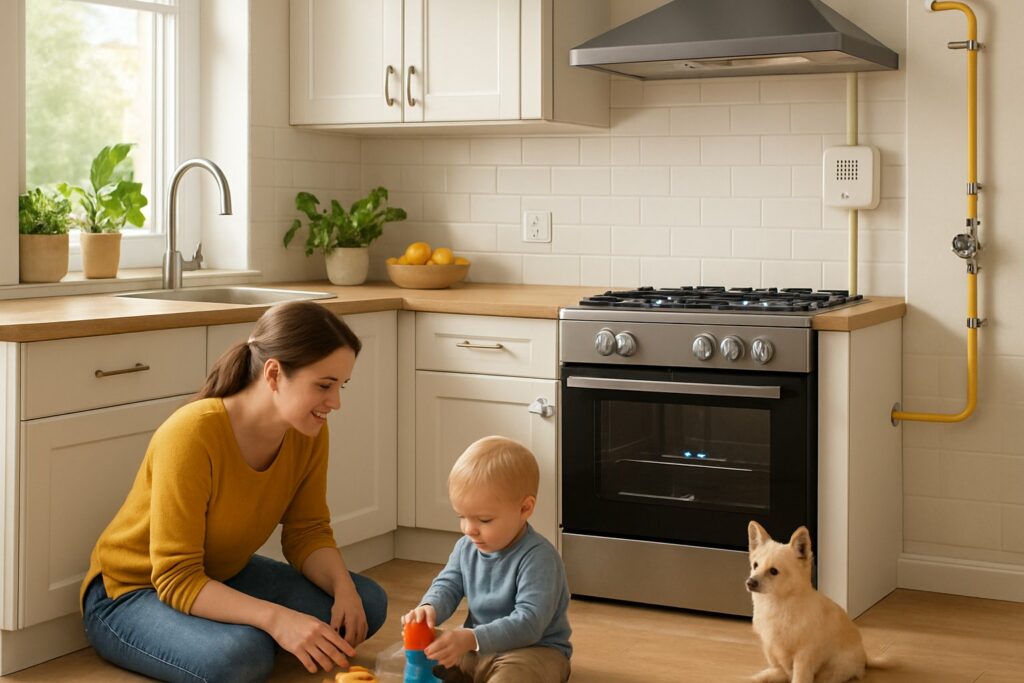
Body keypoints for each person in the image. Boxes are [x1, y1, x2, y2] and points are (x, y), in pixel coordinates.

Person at [80, 301, 387, 683]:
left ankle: (242, 627)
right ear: (274, 373)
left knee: (366, 603)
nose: (336, 402)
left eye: (341, 386)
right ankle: (245, 633)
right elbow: (176, 577)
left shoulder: (308, 432)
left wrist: (343, 589)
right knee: (242, 656)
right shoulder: (193, 433)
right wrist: (277, 620)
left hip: (219, 574)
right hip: (131, 593)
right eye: (324, 385)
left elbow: (306, 530)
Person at [402, 436, 572, 683]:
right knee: (424, 647)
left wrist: (470, 638)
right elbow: (447, 585)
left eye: (483, 520)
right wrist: (428, 609)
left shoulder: (540, 558)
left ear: (525, 509)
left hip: (532, 652)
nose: (469, 529)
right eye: (462, 516)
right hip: (476, 648)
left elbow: (529, 623)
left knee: (514, 676)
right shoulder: (466, 547)